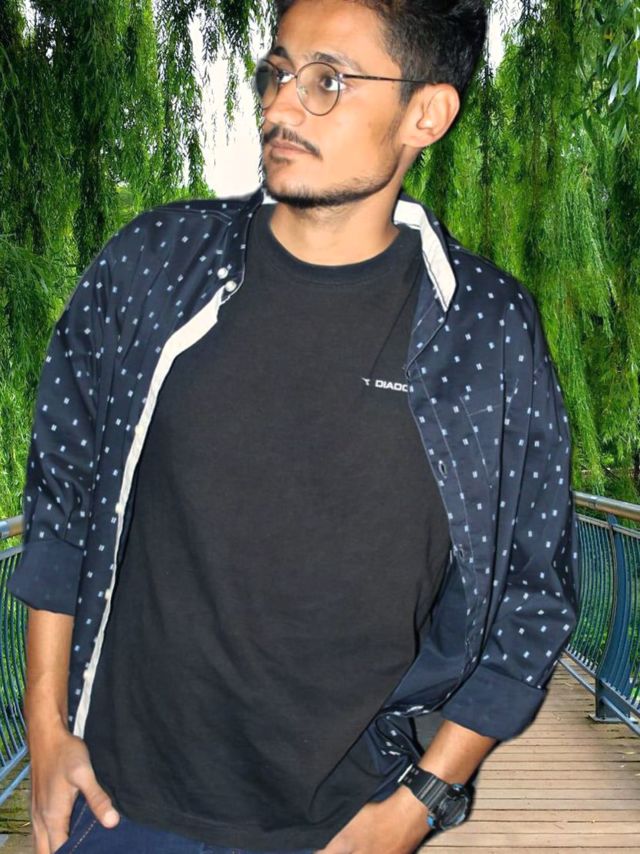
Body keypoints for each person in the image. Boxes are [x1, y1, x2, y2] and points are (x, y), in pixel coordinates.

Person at [7, 1, 581, 852]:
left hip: (346, 821)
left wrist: (421, 802)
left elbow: (534, 591)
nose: (279, 105)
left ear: (426, 113)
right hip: (121, 806)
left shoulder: (486, 329)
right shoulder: (154, 267)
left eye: (328, 81)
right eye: (277, 73)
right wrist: (46, 728)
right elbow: (64, 500)